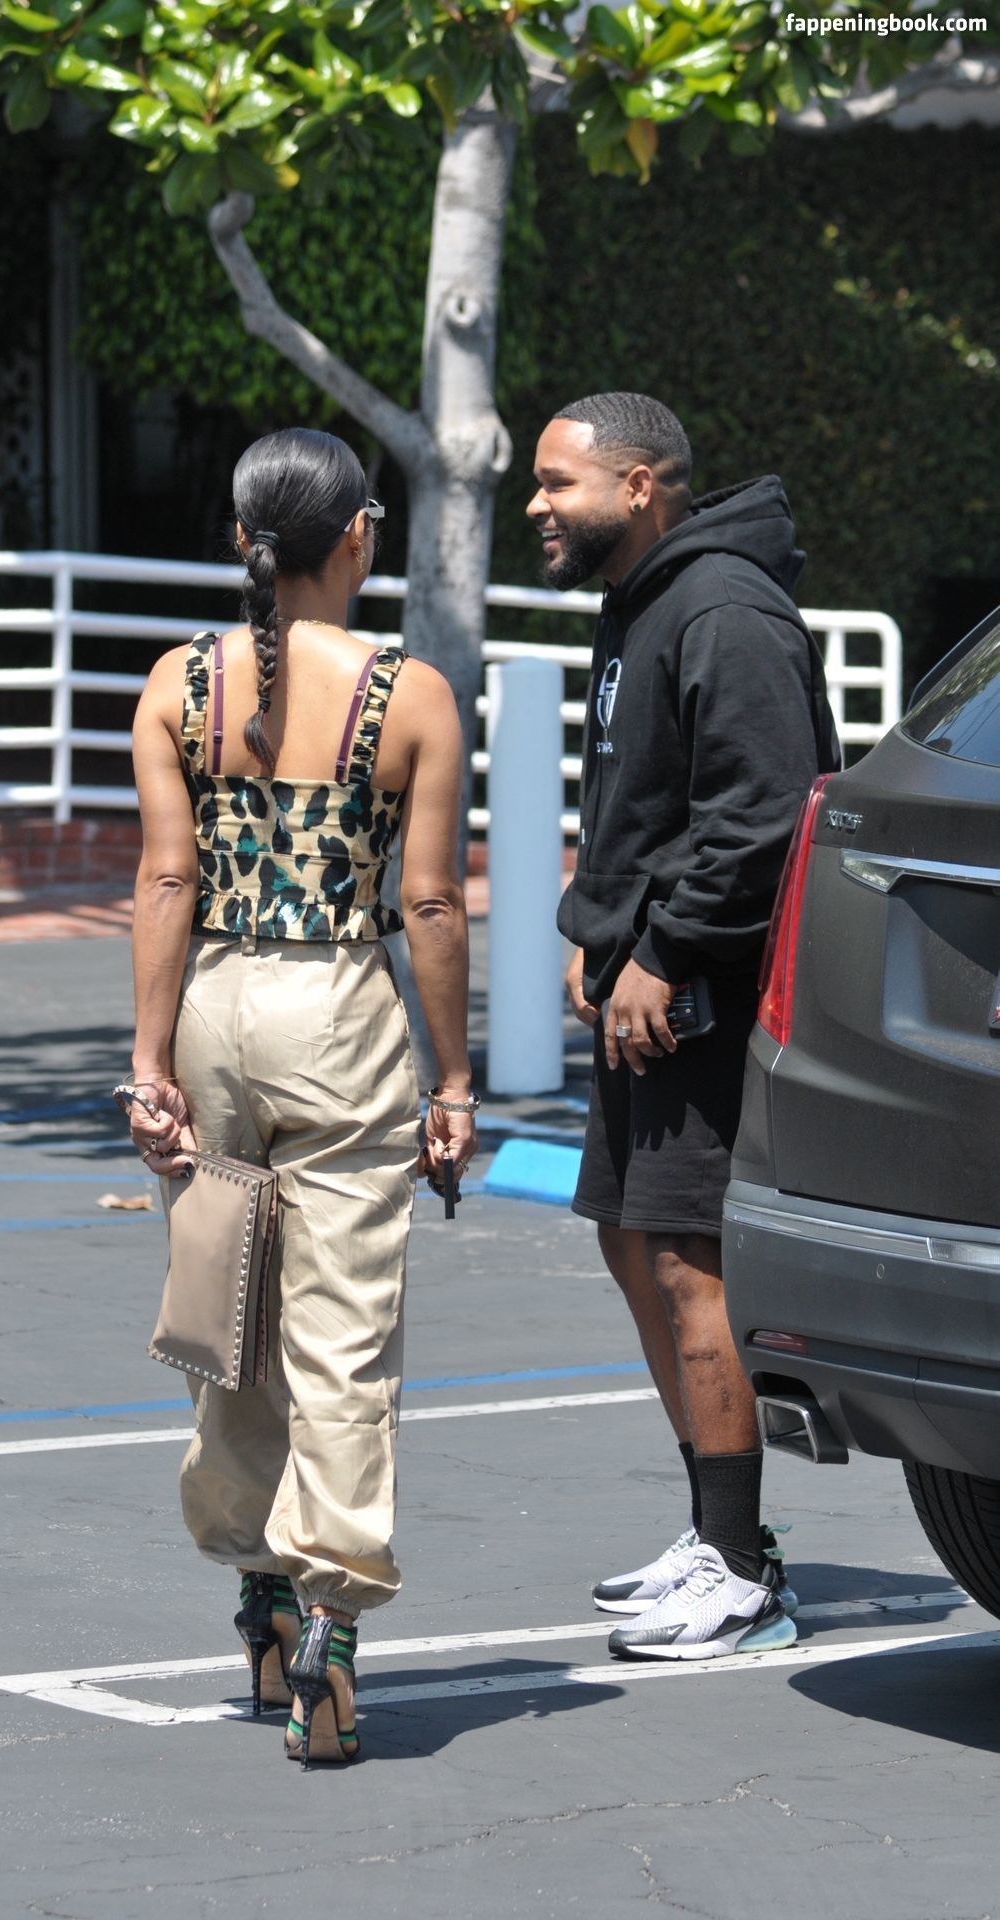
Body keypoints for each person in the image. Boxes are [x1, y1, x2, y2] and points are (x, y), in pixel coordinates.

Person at [123, 427, 477, 1765]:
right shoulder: (410, 696)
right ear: (357, 540)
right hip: (337, 1008)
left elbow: (165, 879)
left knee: (227, 1310)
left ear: (242, 541)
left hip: (213, 1002)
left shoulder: (179, 685)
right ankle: (329, 1617)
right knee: (342, 1333)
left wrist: (149, 1065)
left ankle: (257, 1587)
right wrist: (453, 1079)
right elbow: (428, 904)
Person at [529, 392, 841, 1661]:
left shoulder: (724, 611)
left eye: (559, 483)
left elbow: (764, 814)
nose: (539, 506)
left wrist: (661, 952)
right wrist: (597, 927)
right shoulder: (643, 601)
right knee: (629, 1241)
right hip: (645, 983)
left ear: (641, 486)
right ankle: (719, 1533)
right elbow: (643, 799)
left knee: (683, 1261)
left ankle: (743, 1576)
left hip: (704, 998)